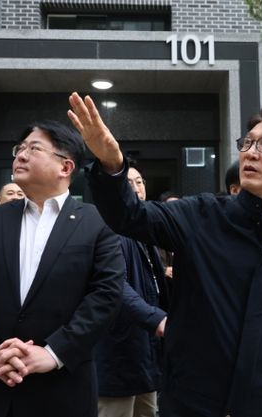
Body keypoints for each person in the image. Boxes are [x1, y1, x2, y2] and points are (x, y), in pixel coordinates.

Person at [68, 92, 262, 417]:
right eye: (247, 143)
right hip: (193, 401)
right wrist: (112, 165)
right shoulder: (201, 215)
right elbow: (130, 216)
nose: (251, 152)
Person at [0, 120, 125, 417]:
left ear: (65, 167)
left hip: (62, 386)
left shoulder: (97, 222)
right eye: (20, 148)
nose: (21, 155)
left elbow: (106, 295)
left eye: (34, 148)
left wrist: (54, 353)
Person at [95, 165, 169, 417]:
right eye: (129, 183)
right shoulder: (108, 227)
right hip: (118, 352)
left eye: (140, 182)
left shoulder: (144, 229)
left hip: (146, 353)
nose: (137, 188)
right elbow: (114, 284)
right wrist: (156, 319)